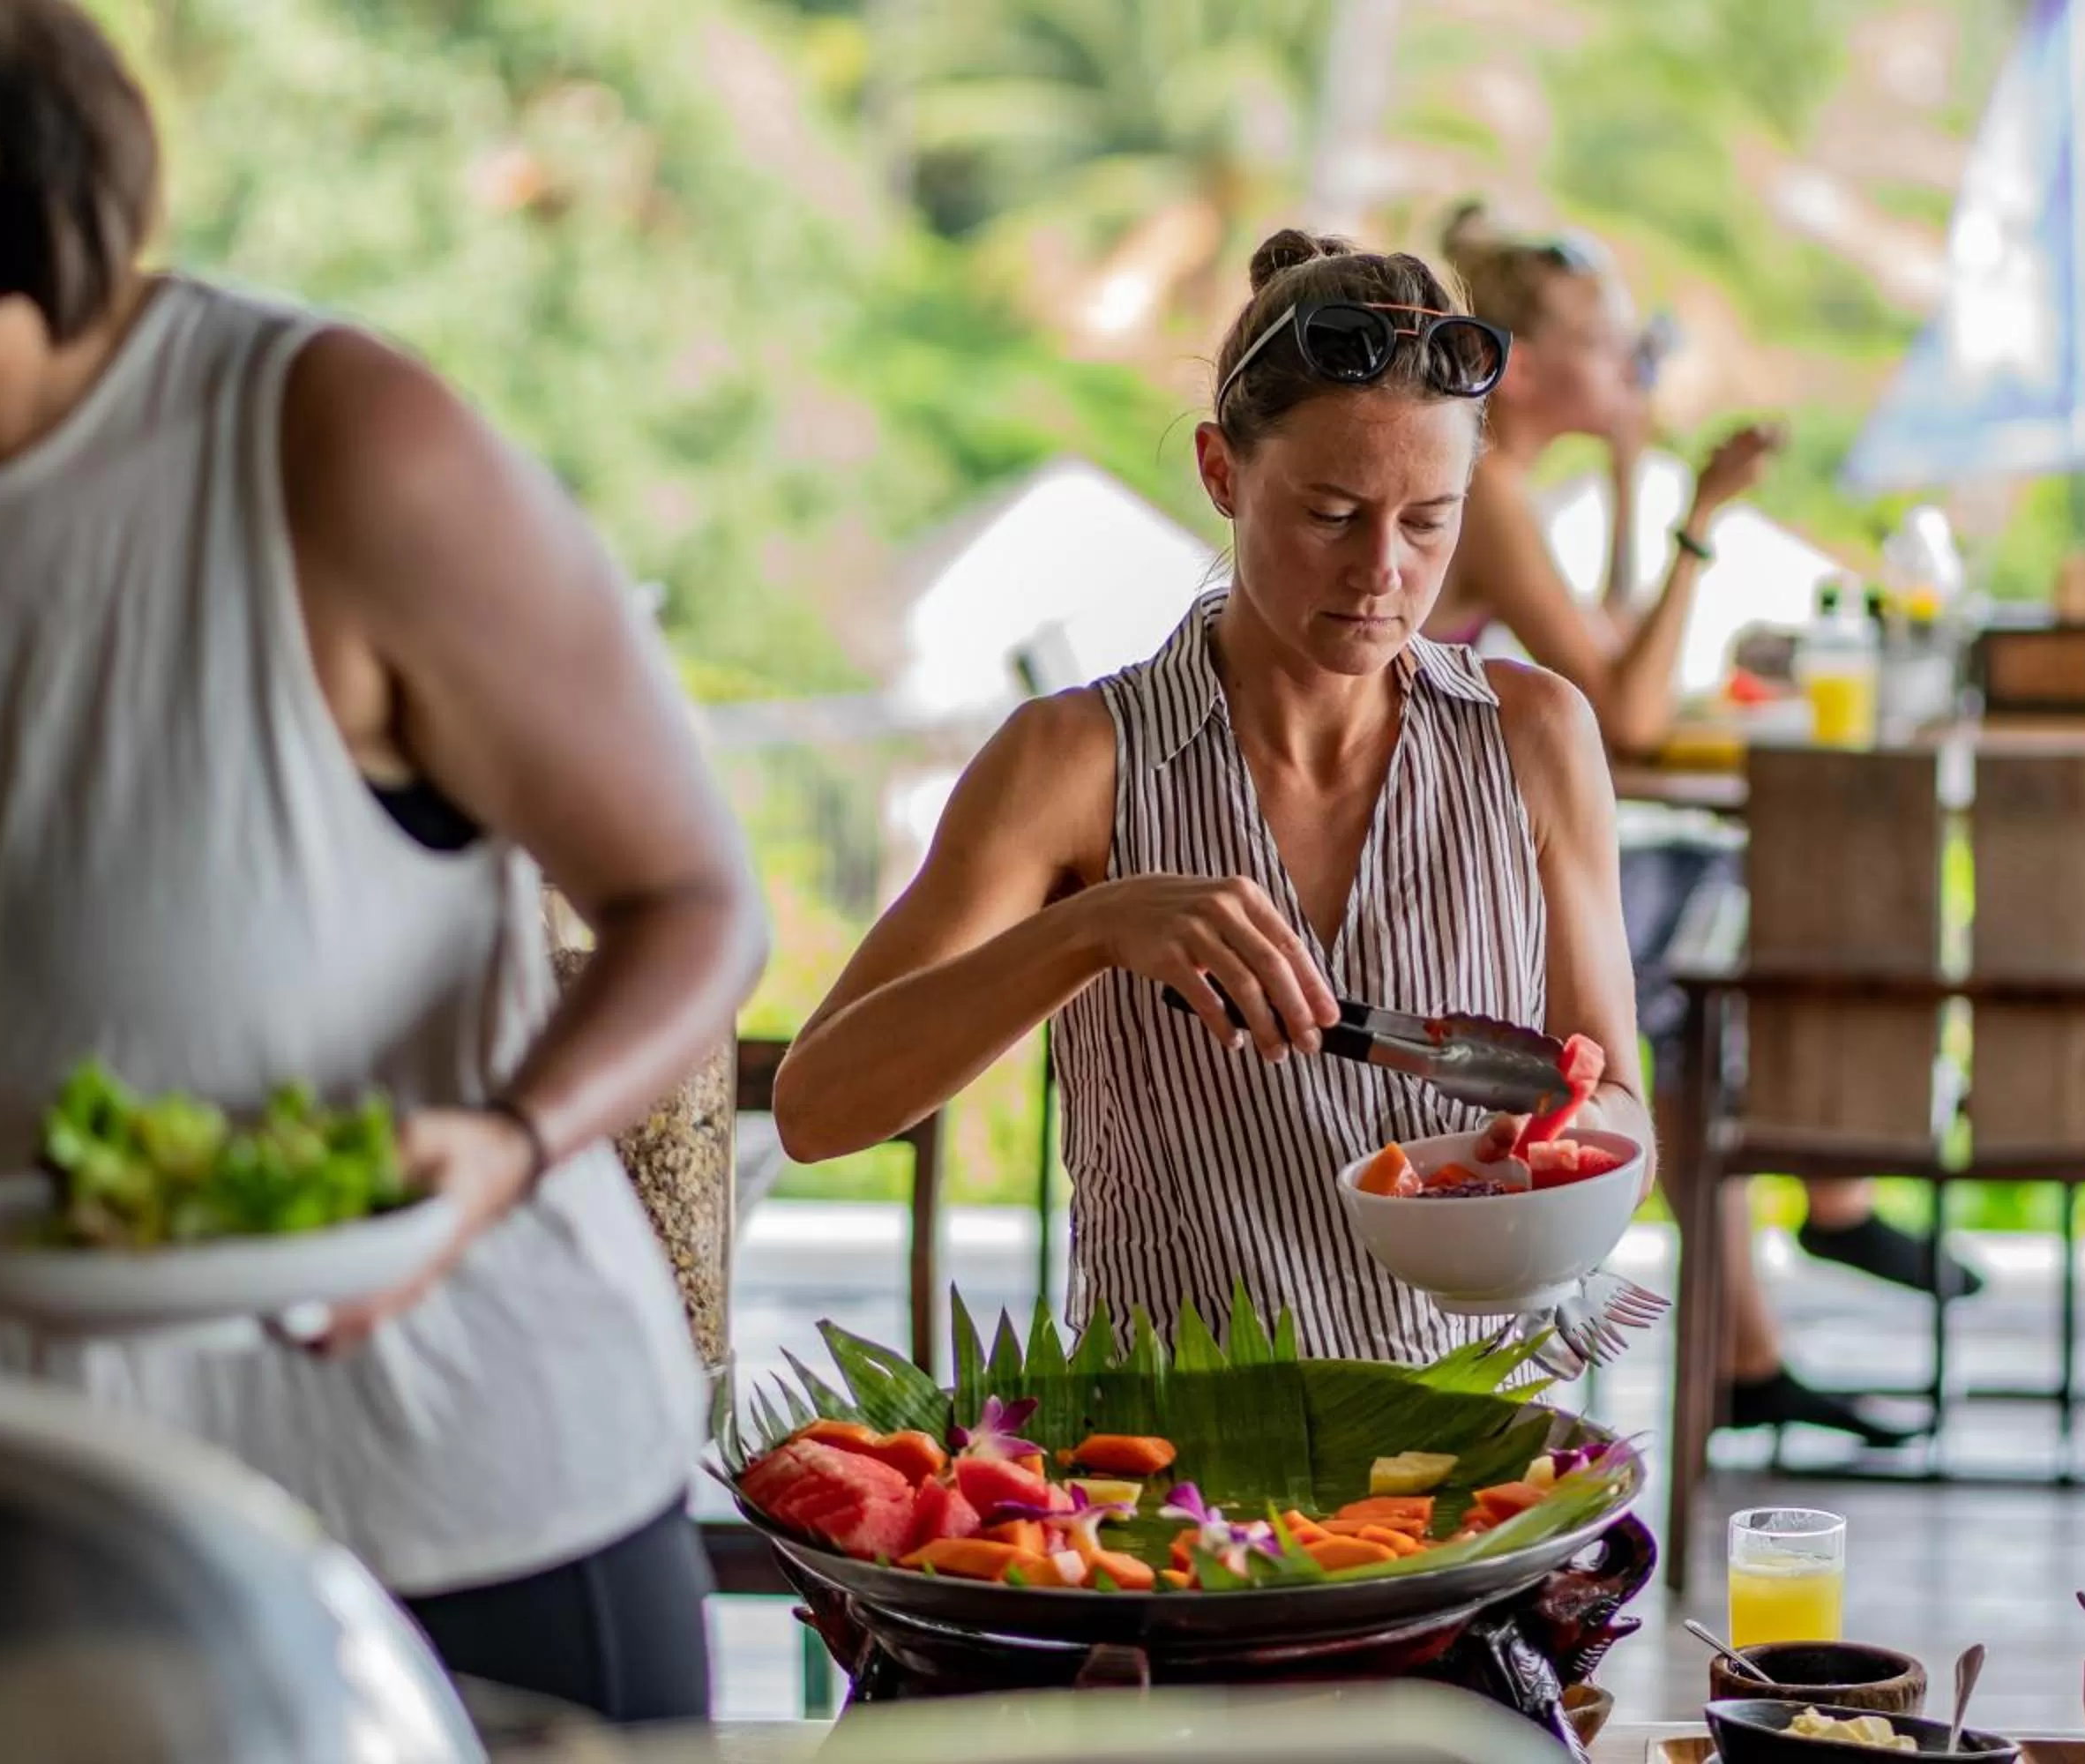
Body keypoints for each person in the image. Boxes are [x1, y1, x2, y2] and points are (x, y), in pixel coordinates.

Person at [0, 2, 765, 1723]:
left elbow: (696, 903)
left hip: (453, 1525)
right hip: (51, 1543)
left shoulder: (322, 445)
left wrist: (506, 1146)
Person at [776, 228, 1650, 1364]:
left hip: (1471, 1458)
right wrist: (1088, 929)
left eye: (1430, 520)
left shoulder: (1533, 737)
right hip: (1172, 1479)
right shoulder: (1077, 760)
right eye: (1331, 514)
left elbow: (1616, 1094)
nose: (1382, 569)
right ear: (1221, 472)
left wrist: (1555, 1155)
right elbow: (816, 1108)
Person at [1431, 204, 1981, 1445]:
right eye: (1604, 337)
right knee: (1726, 914)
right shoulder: (1487, 486)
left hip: (1478, 841)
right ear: (1518, 357)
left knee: (1694, 979)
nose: (1632, 360)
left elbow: (1610, 654)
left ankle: (1754, 1341)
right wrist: (1697, 517)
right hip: (1448, 877)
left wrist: (1637, 476)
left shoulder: (1503, 483)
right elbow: (1625, 714)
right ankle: (1830, 1200)